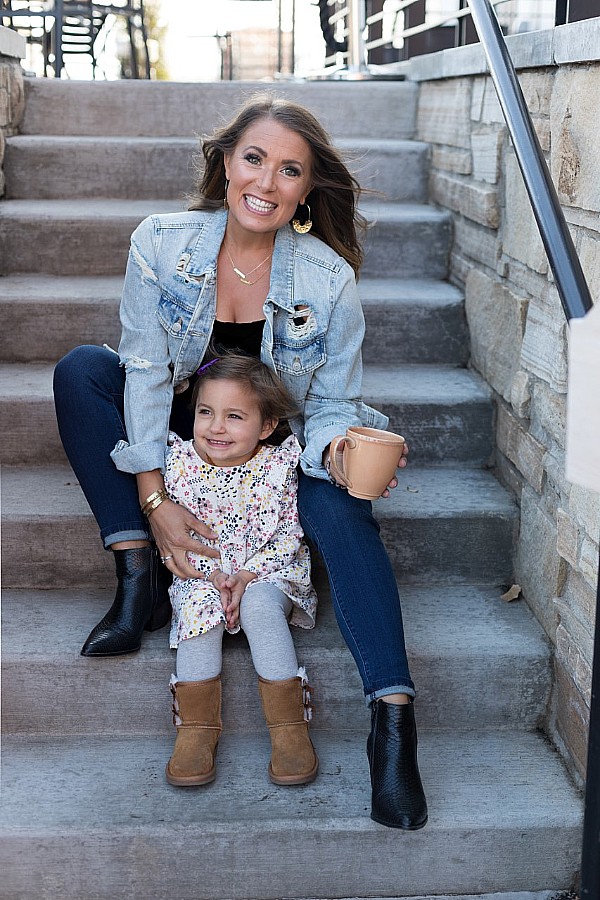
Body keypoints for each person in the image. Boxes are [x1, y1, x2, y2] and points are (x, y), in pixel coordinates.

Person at [53, 91, 427, 829]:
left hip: (273, 445)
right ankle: (138, 578)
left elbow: (331, 405)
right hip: (184, 425)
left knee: (345, 507)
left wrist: (341, 447)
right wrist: (157, 505)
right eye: (254, 158)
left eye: (290, 170)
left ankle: (393, 724)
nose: (266, 182)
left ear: (307, 189)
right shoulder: (161, 242)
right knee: (81, 371)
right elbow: (147, 373)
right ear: (226, 162)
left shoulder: (327, 280)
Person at [163, 351, 318, 787]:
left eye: (234, 416)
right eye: (206, 412)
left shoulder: (276, 468)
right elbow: (175, 538)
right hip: (202, 574)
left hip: (266, 573)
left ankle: (289, 727)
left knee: (260, 609)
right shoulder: (179, 466)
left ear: (266, 427)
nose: (215, 427)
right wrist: (211, 577)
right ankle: (196, 728)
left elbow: (289, 534)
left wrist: (247, 577)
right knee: (197, 610)